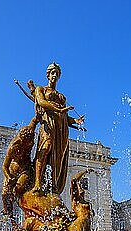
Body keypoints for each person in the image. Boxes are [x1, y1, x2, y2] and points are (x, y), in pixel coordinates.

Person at [33, 63, 84, 194]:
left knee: (58, 156)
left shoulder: (62, 97)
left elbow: (66, 117)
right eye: (52, 72)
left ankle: (53, 185)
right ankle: (38, 182)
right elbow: (41, 102)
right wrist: (59, 109)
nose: (54, 75)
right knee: (45, 147)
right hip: (48, 123)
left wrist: (76, 121)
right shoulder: (41, 89)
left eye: (57, 73)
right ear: (48, 74)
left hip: (61, 129)